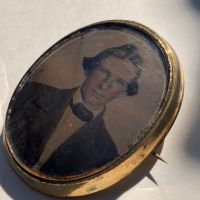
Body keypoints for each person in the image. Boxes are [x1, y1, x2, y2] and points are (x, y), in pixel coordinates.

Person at [9, 44, 142, 176]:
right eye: (103, 72)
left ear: (123, 93)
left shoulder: (107, 153)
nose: (105, 85)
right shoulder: (31, 93)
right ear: (89, 69)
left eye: (119, 82)